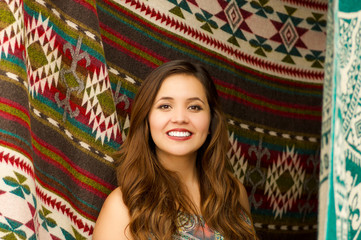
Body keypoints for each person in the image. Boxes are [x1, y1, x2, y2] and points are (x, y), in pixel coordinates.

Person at [93, 60, 257, 240]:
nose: (180, 118)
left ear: (211, 121)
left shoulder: (233, 192)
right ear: (146, 119)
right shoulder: (123, 206)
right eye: (165, 106)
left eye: (194, 107)